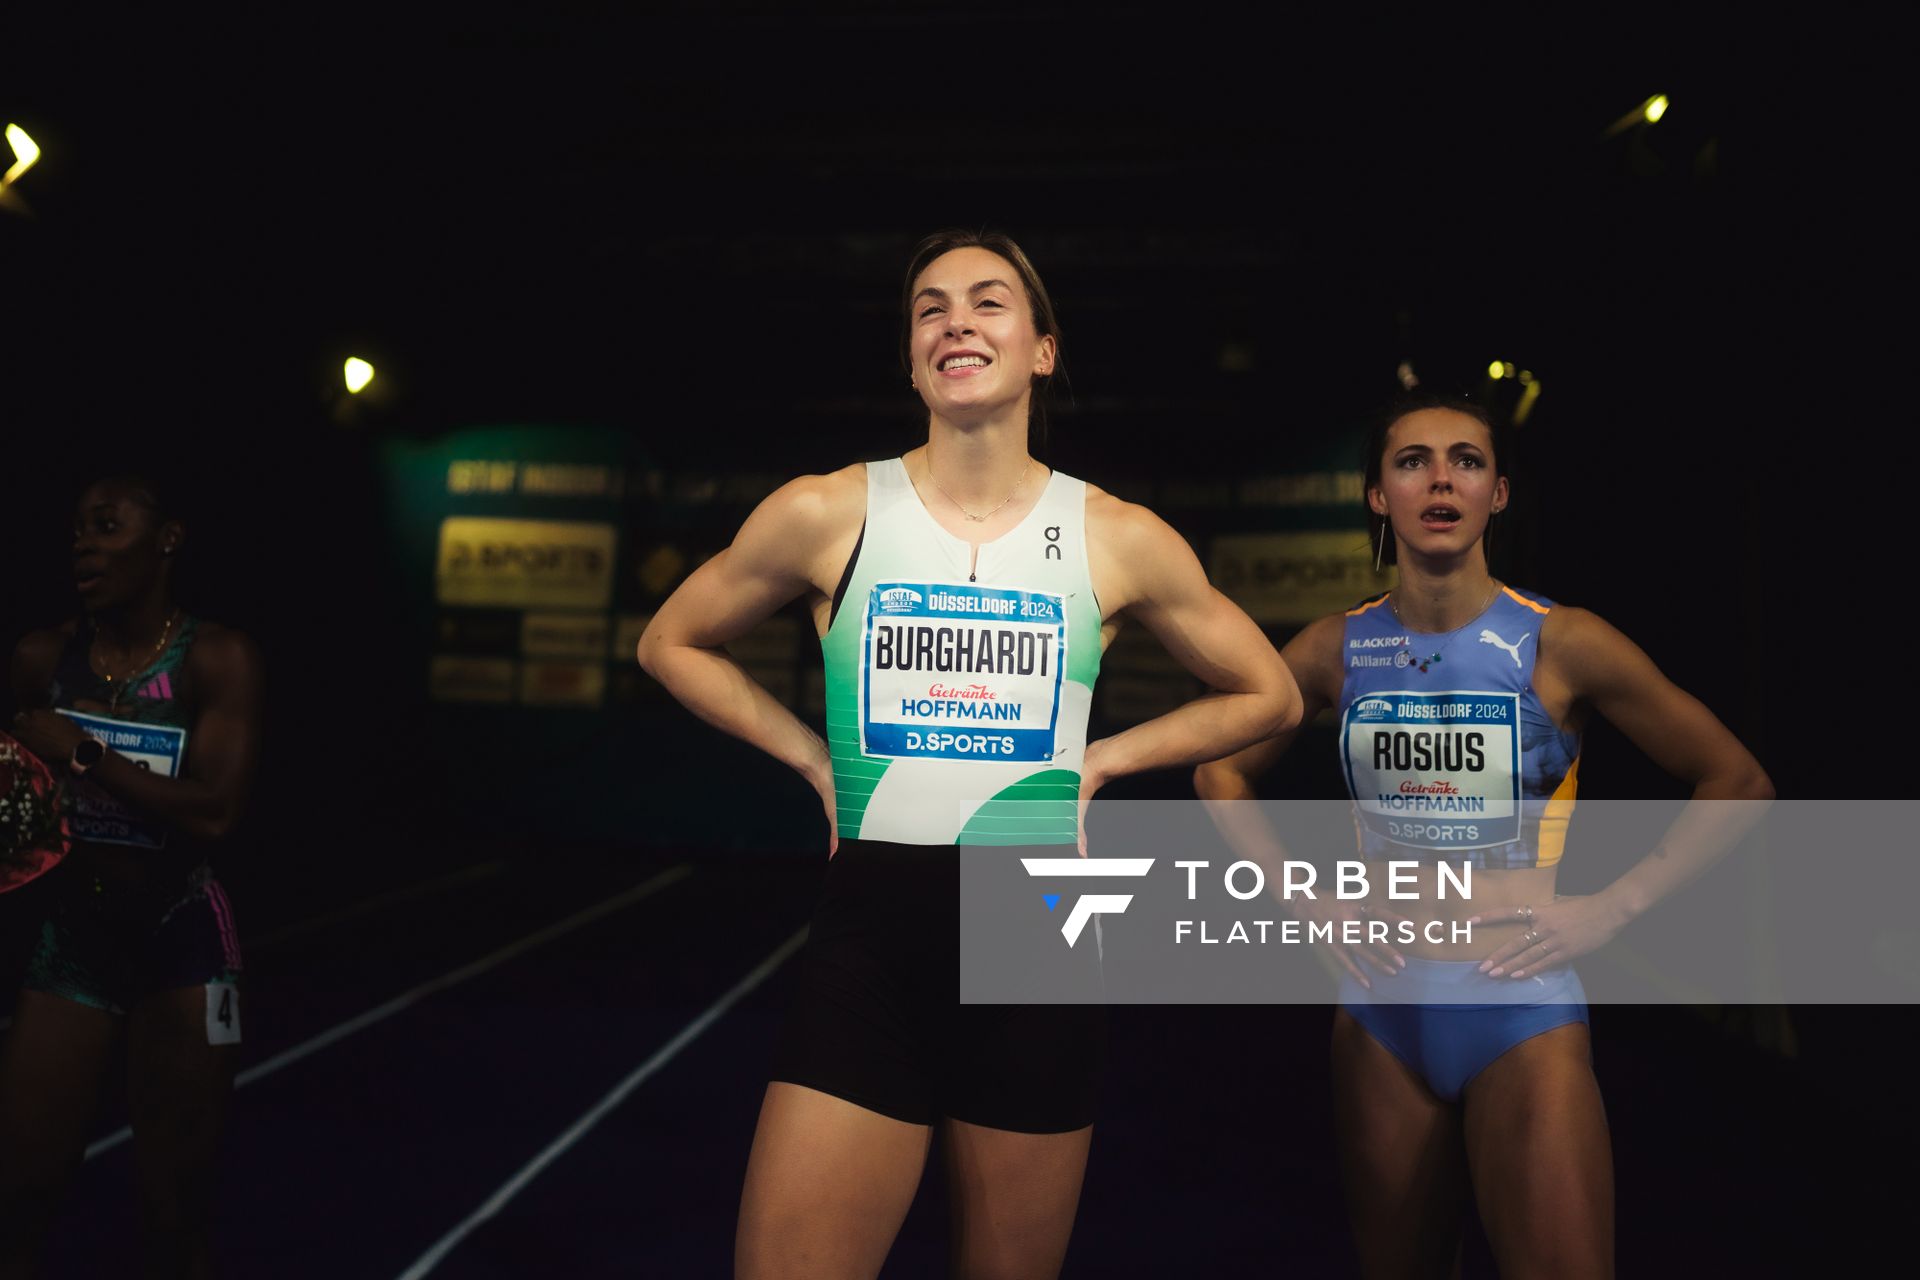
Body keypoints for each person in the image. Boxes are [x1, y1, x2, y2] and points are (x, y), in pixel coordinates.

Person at [639, 228, 1300, 1280]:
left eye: (990, 301)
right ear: (912, 357)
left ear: (1041, 349)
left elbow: (1271, 691)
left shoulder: (1116, 533)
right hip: (871, 935)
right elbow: (667, 638)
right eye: (931, 307)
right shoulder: (829, 509)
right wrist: (815, 760)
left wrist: (1098, 764)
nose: (957, 318)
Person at [1195, 393, 1773, 1279]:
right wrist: (1306, 903)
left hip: (1521, 1008)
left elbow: (1738, 781)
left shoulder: (1560, 642)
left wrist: (1613, 908)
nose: (1440, 479)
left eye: (1465, 461)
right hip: (1380, 1013)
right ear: (1378, 496)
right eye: (1411, 460)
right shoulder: (1334, 649)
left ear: (1497, 493)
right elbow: (1218, 769)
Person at [0, 472, 264, 1280]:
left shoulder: (216, 659)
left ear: (167, 541)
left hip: (180, 940)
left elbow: (215, 811)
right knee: (19, 1190)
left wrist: (82, 753)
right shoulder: (41, 658)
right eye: (77, 527)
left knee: (174, 1208)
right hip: (74, 936)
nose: (84, 542)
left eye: (107, 525)